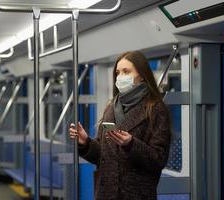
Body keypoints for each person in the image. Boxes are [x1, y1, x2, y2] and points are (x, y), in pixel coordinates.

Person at [69, 51, 171, 200]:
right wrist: (86, 143)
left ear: (142, 75)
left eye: (126, 71)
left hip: (136, 194)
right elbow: (103, 156)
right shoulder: (111, 107)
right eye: (118, 72)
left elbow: (158, 160)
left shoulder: (155, 109)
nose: (120, 77)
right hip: (106, 192)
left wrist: (131, 144)